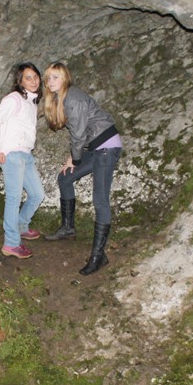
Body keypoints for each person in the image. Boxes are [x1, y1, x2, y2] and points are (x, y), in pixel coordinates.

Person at [43, 61, 122, 275]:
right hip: (97, 147)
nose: (51, 81)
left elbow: (78, 135)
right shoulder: (62, 98)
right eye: (48, 77)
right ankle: (68, 228)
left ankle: (98, 256)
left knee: (100, 200)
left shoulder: (73, 98)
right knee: (65, 178)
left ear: (65, 78)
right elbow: (81, 134)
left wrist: (76, 159)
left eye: (56, 77)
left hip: (106, 147)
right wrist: (73, 158)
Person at [0, 62, 45, 259]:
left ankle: (21, 226)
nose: (33, 81)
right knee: (14, 199)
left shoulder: (31, 102)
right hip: (12, 155)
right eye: (28, 78)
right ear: (20, 81)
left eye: (35, 77)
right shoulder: (14, 99)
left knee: (37, 194)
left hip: (25, 154)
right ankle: (11, 243)